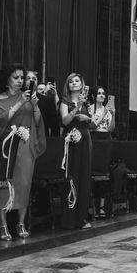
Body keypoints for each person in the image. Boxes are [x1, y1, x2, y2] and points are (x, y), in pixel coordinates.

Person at [0, 64, 46, 239]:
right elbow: (0, 121)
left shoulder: (30, 98)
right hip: (7, 146)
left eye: (22, 77)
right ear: (7, 79)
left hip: (26, 144)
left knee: (24, 184)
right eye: (16, 77)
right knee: (4, 184)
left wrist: (35, 106)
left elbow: (37, 122)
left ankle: (21, 223)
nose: (20, 81)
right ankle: (3, 225)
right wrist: (20, 101)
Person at [60, 73, 93, 230]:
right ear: (68, 85)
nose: (74, 83)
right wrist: (76, 110)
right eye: (71, 81)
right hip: (72, 140)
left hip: (85, 139)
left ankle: (82, 217)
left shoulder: (86, 102)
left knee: (84, 177)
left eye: (77, 81)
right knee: (72, 176)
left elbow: (92, 124)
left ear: (82, 84)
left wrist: (87, 119)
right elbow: (65, 120)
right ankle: (69, 218)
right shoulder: (65, 101)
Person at [88, 85, 116, 218]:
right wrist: (104, 113)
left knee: (104, 174)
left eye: (103, 94)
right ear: (94, 96)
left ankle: (102, 206)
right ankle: (92, 206)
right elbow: (92, 126)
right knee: (93, 172)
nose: (101, 96)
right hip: (94, 138)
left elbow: (111, 129)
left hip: (105, 139)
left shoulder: (108, 111)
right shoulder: (89, 108)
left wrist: (113, 113)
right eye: (99, 93)